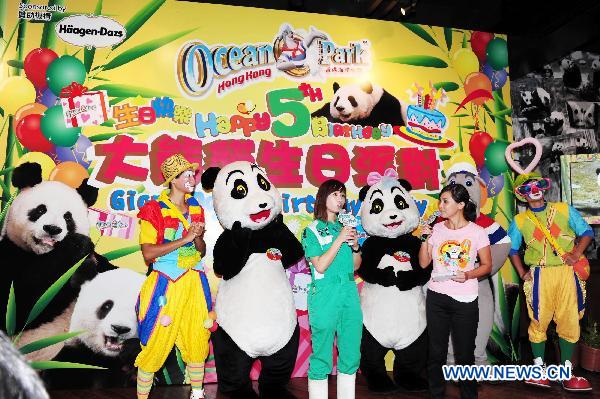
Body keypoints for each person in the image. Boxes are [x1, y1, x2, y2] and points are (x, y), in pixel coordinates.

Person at [134, 154, 212, 399]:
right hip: (166, 283)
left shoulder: (197, 207)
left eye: (193, 174)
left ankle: (197, 394)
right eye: (186, 175)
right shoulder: (153, 209)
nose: (192, 179)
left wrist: (197, 237)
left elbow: (201, 250)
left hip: (195, 282)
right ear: (172, 180)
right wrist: (185, 238)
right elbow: (148, 252)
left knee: (198, 338)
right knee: (156, 342)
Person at [507, 172, 593, 392]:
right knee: (539, 320)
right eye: (527, 188)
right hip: (540, 276)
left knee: (570, 321)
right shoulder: (519, 221)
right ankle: (539, 370)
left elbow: (586, 231)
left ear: (543, 187)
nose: (533, 191)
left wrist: (575, 254)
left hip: (566, 273)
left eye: (536, 185)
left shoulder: (564, 210)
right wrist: (522, 272)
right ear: (521, 195)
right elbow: (512, 249)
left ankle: (566, 373)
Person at [419, 184, 491, 399]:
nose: (440, 205)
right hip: (437, 297)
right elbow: (424, 264)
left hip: (465, 299)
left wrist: (468, 274)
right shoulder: (436, 229)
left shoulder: (477, 232)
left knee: (465, 353)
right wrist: (424, 239)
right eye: (440, 200)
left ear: (460, 205)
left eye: (445, 201)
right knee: (436, 352)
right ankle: (436, 394)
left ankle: (469, 395)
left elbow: (487, 265)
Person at [301, 179, 362, 399]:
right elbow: (320, 265)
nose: (340, 199)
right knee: (322, 353)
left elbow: (355, 266)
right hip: (325, 293)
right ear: (323, 197)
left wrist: (355, 246)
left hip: (349, 291)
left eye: (343, 195)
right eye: (336, 194)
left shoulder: (345, 228)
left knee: (351, 351)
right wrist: (339, 239)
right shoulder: (311, 230)